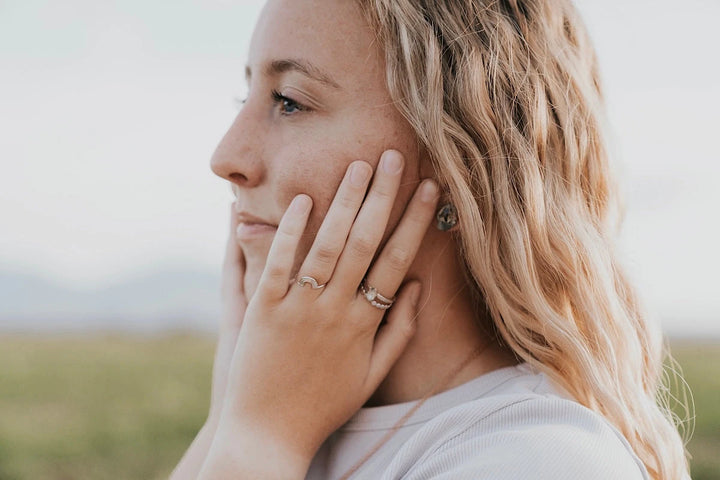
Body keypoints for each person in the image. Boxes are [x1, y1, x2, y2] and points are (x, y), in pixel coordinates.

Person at [170, 0, 691, 478]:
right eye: (248, 95)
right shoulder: (284, 418)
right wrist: (233, 413)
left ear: (458, 161)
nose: (226, 156)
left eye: (289, 101)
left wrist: (260, 441)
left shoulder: (537, 458)